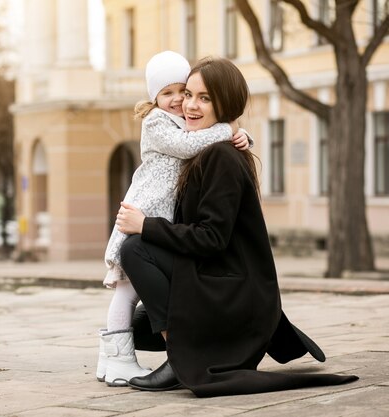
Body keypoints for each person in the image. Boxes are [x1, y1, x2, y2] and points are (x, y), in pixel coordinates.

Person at [116, 56, 359, 397]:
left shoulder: (221, 157)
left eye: (205, 98)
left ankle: (179, 358)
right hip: (222, 280)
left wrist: (146, 226)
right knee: (139, 327)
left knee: (135, 249)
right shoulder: (204, 148)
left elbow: (211, 238)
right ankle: (191, 344)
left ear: (225, 104)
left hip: (235, 291)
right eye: (188, 95)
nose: (190, 105)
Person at [97, 51, 254, 387]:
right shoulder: (158, 122)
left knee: (131, 289)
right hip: (146, 214)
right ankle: (117, 358)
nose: (180, 102)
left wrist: (240, 133)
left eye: (183, 92)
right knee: (126, 294)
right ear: (153, 97)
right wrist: (230, 128)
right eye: (168, 94)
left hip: (174, 237)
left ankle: (163, 355)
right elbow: (188, 145)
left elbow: (200, 140)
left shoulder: (199, 135)